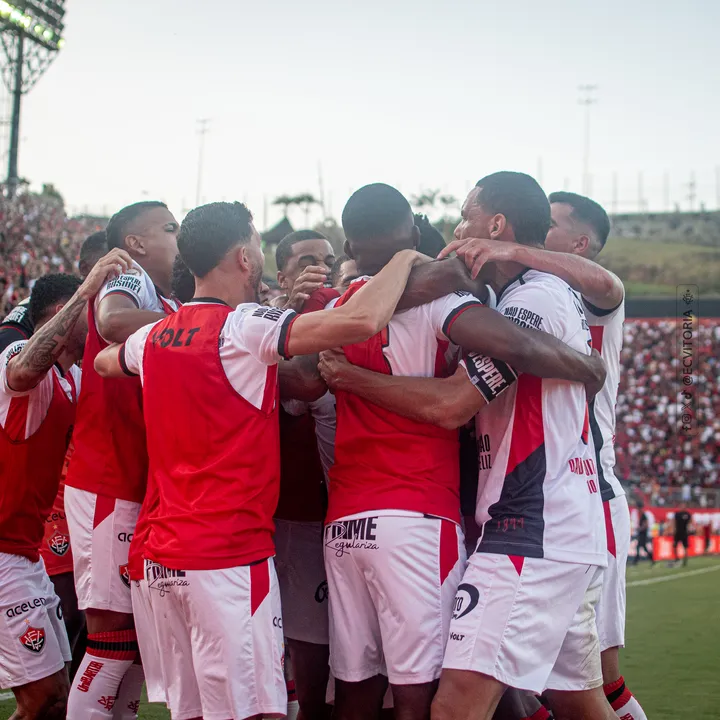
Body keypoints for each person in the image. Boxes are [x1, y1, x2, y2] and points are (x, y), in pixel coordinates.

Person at [92, 200, 427, 720]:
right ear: (244, 258)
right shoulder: (243, 327)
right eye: (254, 243)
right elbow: (362, 318)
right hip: (224, 556)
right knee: (256, 713)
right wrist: (404, 257)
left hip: (159, 557)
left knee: (195, 714)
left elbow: (104, 360)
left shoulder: (155, 335)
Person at [319, 173, 614, 720]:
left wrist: (350, 378)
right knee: (579, 704)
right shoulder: (525, 295)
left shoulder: (530, 300)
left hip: (531, 527)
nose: (455, 229)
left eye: (465, 215)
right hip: (553, 523)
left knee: (454, 706)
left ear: (495, 225)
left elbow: (451, 405)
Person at [442, 190, 648, 719]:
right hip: (562, 503)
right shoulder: (531, 294)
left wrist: (511, 251)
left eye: (551, 227)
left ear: (579, 244)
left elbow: (608, 284)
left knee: (595, 680)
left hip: (564, 501)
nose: (543, 235)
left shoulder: (557, 292)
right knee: (572, 697)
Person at [0, 252, 132, 720]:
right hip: (3, 554)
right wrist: (84, 290)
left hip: (23, 551)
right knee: (41, 699)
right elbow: (22, 371)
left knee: (55, 698)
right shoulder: (18, 364)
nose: (100, 316)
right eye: (90, 308)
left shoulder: (70, 377)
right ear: (63, 314)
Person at [64, 201, 181, 719]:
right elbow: (112, 323)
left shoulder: (168, 300)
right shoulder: (128, 277)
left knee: (130, 645)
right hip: (107, 480)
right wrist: (203, 323)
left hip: (133, 481)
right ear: (136, 243)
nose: (178, 239)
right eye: (169, 229)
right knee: (110, 640)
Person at [273, 230, 339, 720]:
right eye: (309, 260)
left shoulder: (352, 317)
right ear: (282, 276)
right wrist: (290, 316)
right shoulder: (262, 326)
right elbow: (299, 392)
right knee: (312, 659)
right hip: (299, 518)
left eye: (329, 260)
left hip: (351, 514)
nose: (323, 268)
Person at [275, 230, 337, 311]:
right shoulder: (269, 320)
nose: (325, 270)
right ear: (282, 280)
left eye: (330, 263)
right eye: (308, 265)